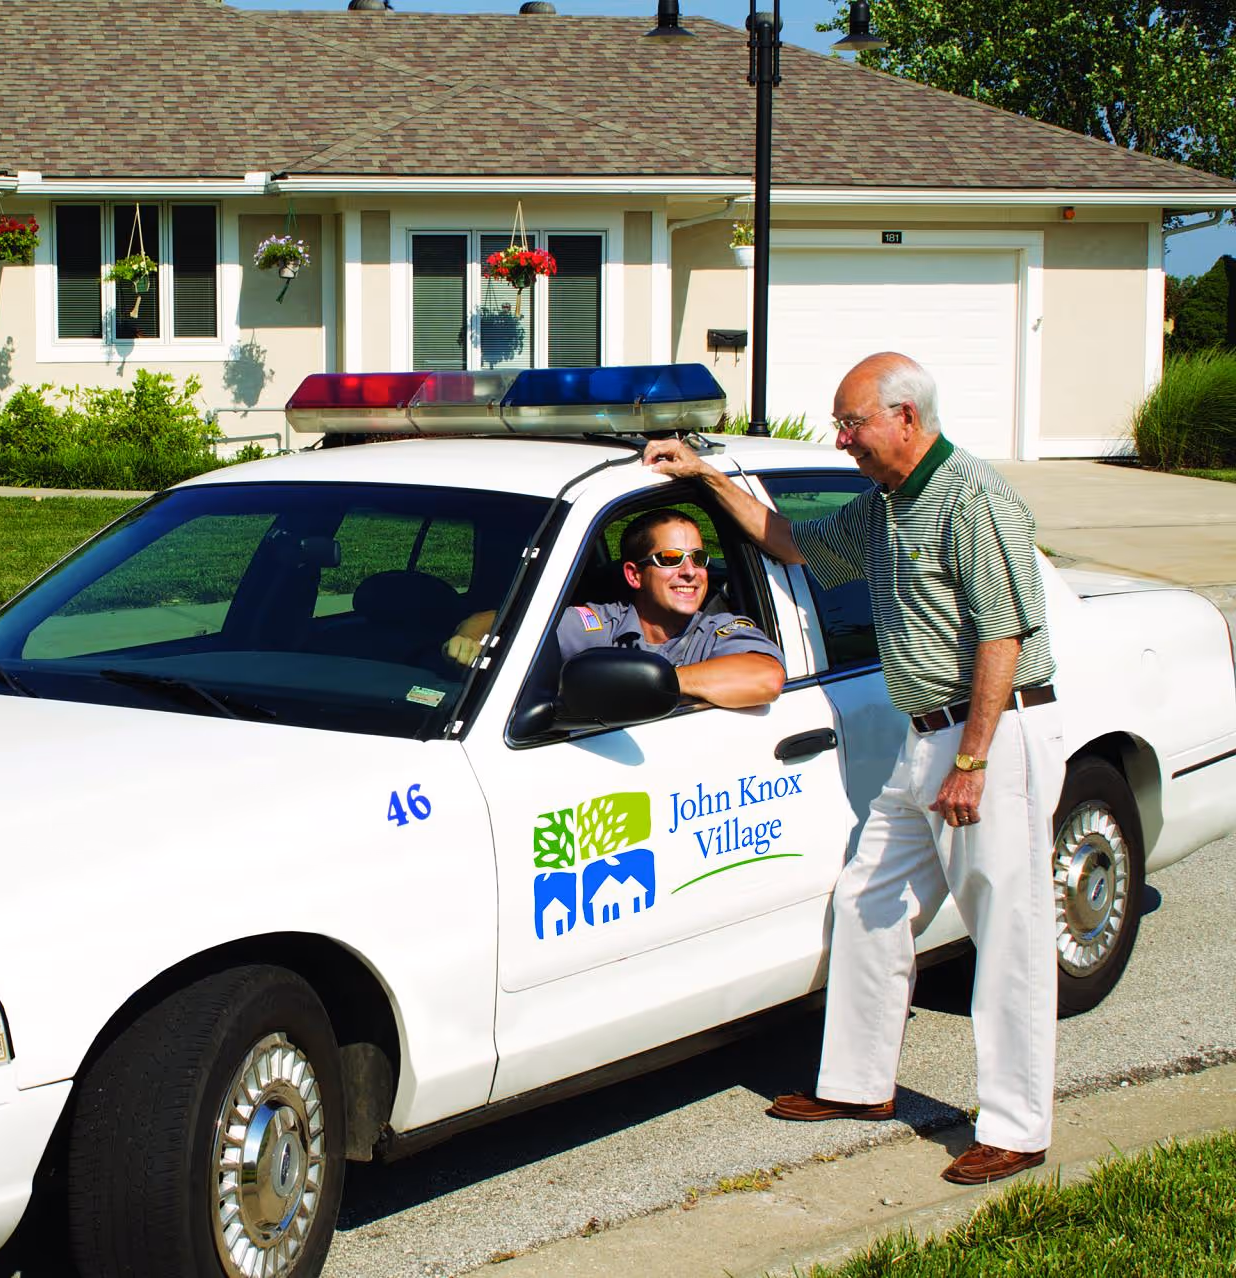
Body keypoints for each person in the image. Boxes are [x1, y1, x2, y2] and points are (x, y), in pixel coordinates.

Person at [643, 352, 1063, 1187]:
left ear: (906, 416)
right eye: (840, 424)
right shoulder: (887, 505)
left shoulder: (973, 499)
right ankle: (858, 1087)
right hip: (928, 736)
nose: (843, 441)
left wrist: (973, 760)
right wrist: (704, 475)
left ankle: (1017, 1127)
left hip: (991, 733)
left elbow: (1002, 639)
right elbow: (789, 541)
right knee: (871, 899)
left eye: (853, 422)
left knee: (1006, 930)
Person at [445, 508, 785, 710]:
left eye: (698, 558)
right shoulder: (604, 622)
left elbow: (766, 676)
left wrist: (652, 683)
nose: (689, 572)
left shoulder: (716, 630)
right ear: (634, 575)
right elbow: (498, 620)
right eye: (669, 559)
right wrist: (468, 637)